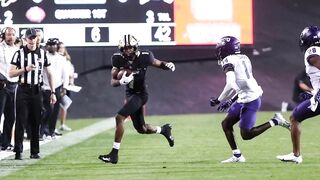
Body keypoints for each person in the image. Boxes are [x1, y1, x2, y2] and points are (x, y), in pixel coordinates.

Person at [210, 36, 291, 163]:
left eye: (220, 49)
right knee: (226, 124)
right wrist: (231, 100)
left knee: (246, 135)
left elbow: (231, 83)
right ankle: (237, 156)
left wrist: (219, 100)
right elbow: (242, 83)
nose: (219, 52)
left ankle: (275, 121)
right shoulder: (244, 57)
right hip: (244, 96)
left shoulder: (228, 60)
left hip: (251, 100)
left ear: (226, 49)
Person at [98, 34, 175, 164]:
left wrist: (167, 65)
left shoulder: (145, 56)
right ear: (121, 49)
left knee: (119, 117)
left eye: (130, 47)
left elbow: (158, 63)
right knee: (142, 129)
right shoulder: (117, 59)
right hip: (130, 94)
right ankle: (164, 130)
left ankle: (114, 154)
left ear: (135, 47)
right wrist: (121, 81)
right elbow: (113, 81)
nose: (127, 50)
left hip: (141, 94)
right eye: (125, 48)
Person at [9, 28, 57, 160]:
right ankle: (18, 151)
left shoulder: (42, 53)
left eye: (33, 37)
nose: (31, 40)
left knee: (36, 121)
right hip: (23, 89)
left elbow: (50, 73)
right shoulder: (18, 53)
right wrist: (25, 69)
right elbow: (11, 73)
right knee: (21, 120)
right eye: (29, 38)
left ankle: (34, 151)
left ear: (37, 38)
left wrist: (53, 92)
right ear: (25, 39)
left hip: (36, 90)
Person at [276, 26, 320, 164]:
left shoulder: (311, 52)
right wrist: (313, 93)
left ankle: (296, 155)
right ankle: (295, 154)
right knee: (295, 117)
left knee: (294, 118)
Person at [40, 38, 69, 139]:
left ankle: (51, 131)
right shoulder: (43, 56)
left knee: (55, 110)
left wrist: (64, 87)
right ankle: (44, 130)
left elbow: (65, 74)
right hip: (45, 87)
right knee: (48, 110)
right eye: (50, 44)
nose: (52, 46)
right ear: (47, 46)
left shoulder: (61, 58)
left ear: (57, 46)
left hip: (57, 87)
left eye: (54, 45)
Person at [0, 27, 19, 151]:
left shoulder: (18, 50)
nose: (10, 37)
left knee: (11, 116)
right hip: (1, 85)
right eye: (8, 34)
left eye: (12, 34)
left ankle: (5, 143)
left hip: (14, 85)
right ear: (4, 35)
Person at [57, 41, 73, 131]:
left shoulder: (66, 58)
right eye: (60, 47)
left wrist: (71, 80)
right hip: (59, 84)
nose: (62, 49)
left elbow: (69, 72)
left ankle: (62, 124)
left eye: (63, 47)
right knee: (56, 106)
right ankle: (51, 127)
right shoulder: (57, 58)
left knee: (65, 104)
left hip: (66, 84)